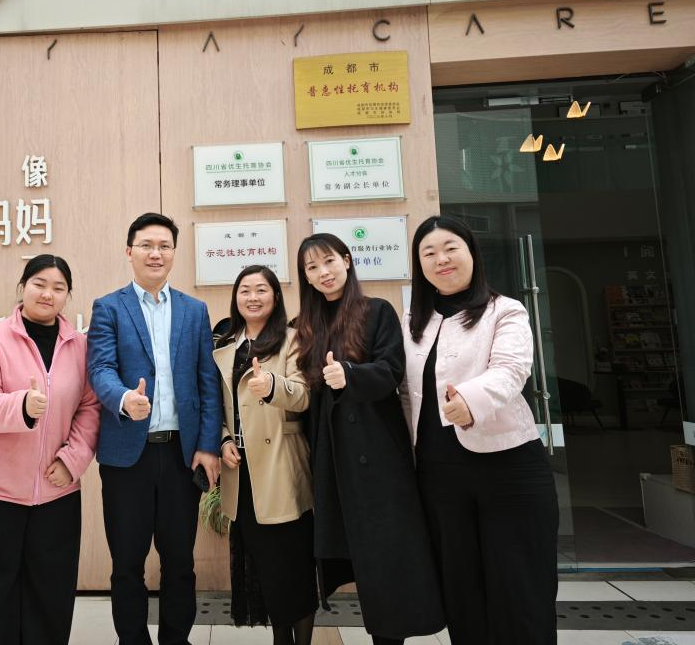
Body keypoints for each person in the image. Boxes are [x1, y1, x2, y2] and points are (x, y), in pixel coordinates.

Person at [403, 215, 558, 645]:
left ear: (472, 253)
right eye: (429, 253)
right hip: (439, 476)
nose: (441, 259)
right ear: (419, 265)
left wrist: (469, 401)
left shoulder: (504, 310)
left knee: (520, 590)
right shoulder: (412, 321)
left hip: (508, 468)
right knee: (462, 592)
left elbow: (511, 370)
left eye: (450, 248)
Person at [294, 233, 444, 645]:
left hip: (378, 454)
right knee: (353, 554)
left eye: (329, 261)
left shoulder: (376, 311)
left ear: (347, 260)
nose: (323, 273)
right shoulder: (304, 325)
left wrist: (349, 375)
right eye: (312, 268)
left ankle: (390, 637)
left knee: (387, 558)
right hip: (331, 455)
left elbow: (391, 370)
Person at [86, 212, 222, 645]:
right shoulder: (109, 307)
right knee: (127, 563)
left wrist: (208, 445)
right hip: (128, 456)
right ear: (129, 252)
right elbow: (100, 368)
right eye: (146, 245)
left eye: (164, 246)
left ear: (174, 253)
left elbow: (207, 381)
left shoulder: (194, 310)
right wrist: (125, 399)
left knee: (180, 562)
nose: (155, 253)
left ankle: (175, 639)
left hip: (181, 455)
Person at [0, 255, 100, 645]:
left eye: (58, 287)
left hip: (57, 490)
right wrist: (21, 406)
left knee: (50, 594)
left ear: (68, 295)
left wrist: (73, 460)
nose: (47, 294)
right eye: (39, 284)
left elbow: (90, 408)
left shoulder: (80, 346)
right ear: (23, 287)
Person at [215, 265, 316, 645]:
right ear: (235, 297)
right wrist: (223, 440)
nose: (252, 297)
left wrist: (272, 385)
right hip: (241, 471)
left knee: (293, 566)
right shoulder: (225, 344)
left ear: (275, 296)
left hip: (280, 467)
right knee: (265, 569)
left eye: (261, 289)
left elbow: (304, 396)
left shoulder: (292, 339)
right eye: (245, 290)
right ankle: (280, 639)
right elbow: (215, 406)